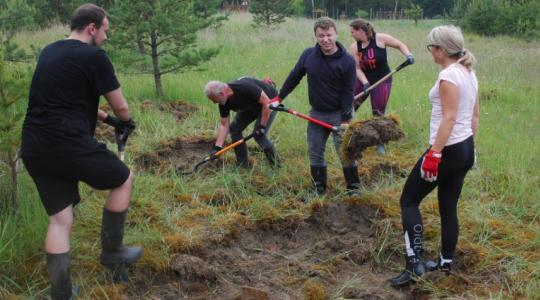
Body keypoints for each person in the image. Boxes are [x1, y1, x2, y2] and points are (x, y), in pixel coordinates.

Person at [20, 4, 142, 299]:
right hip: (68, 144)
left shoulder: (50, 51)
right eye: (105, 31)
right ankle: (113, 253)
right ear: (92, 28)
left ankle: (60, 294)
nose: (106, 37)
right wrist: (124, 121)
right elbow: (121, 105)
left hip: (35, 147)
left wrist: (105, 119)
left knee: (59, 221)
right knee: (123, 178)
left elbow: (66, 97)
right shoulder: (94, 56)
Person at [389, 25, 478, 287]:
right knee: (448, 207)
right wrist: (471, 149)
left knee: (408, 201)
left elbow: (449, 119)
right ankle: (445, 263)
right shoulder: (468, 72)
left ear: (440, 50)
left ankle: (413, 264)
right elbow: (474, 115)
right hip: (464, 147)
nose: (431, 53)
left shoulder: (449, 76)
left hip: (447, 149)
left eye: (431, 48)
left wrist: (434, 154)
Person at [270, 17, 359, 196]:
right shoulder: (308, 55)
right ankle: (318, 189)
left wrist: (346, 119)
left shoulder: (347, 61)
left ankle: (353, 189)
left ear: (336, 34)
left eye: (328, 35)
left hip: (339, 114)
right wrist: (279, 97)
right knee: (315, 152)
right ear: (315, 36)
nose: (325, 39)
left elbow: (348, 91)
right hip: (316, 114)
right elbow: (295, 76)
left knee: (346, 153)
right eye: (321, 36)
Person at [349, 18, 414, 155]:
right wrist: (365, 82)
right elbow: (357, 69)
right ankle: (347, 138)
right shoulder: (354, 47)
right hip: (363, 80)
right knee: (350, 106)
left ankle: (380, 145)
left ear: (361, 31)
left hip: (382, 80)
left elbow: (399, 45)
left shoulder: (381, 38)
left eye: (353, 32)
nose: (351, 34)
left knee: (378, 113)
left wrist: (408, 55)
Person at [204, 76, 278, 167]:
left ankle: (276, 165)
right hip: (251, 105)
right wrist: (217, 147)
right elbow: (224, 125)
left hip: (269, 102)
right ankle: (242, 165)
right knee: (234, 129)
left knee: (259, 135)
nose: (214, 103)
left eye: (214, 100)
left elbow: (267, 103)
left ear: (221, 93)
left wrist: (262, 126)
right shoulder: (223, 102)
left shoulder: (243, 87)